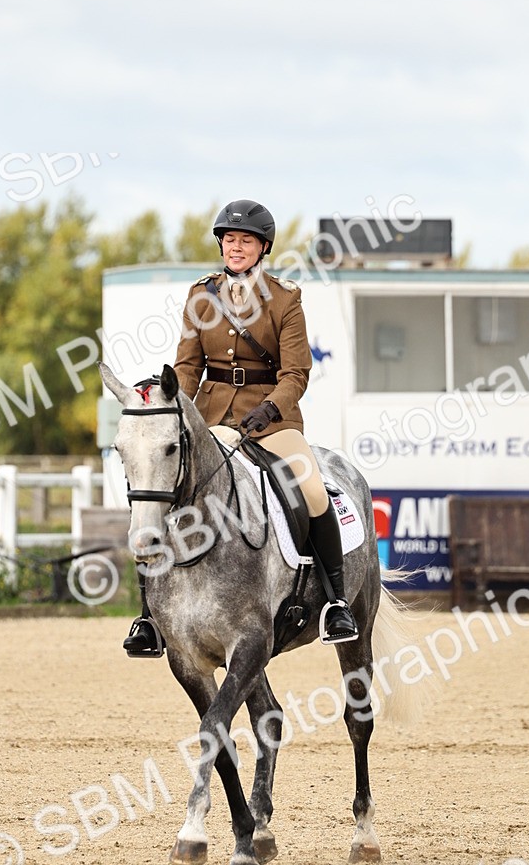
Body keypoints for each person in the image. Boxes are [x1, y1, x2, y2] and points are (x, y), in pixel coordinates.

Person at [123, 198, 359, 656]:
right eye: (229, 240)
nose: (235, 248)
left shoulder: (286, 298)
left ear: (262, 247)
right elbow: (187, 367)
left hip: (270, 420)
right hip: (210, 417)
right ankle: (150, 617)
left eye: (244, 241)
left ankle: (336, 602)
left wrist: (270, 409)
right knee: (158, 487)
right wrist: (173, 405)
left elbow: (297, 374)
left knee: (311, 490)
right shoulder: (201, 296)